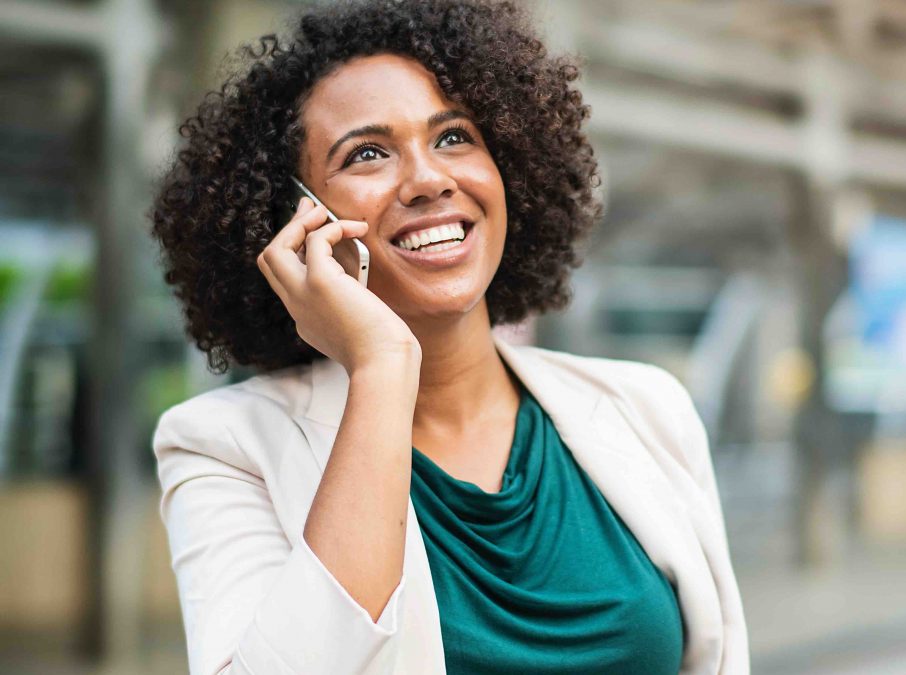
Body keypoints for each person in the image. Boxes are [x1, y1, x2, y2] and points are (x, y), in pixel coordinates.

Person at [149, 0, 747, 673]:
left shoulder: (647, 408)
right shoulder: (221, 446)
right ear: (293, 219)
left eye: (455, 136)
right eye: (367, 153)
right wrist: (381, 367)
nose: (430, 179)